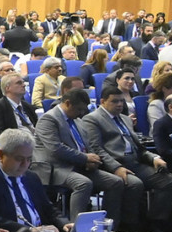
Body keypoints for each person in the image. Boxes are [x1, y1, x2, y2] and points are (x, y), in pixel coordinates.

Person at [81, 83, 172, 232]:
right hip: (112, 164)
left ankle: (155, 223)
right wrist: (116, 168)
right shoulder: (92, 119)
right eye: (115, 101)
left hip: (135, 162)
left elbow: (139, 148)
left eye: (121, 101)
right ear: (102, 102)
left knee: (171, 182)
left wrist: (154, 157)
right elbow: (96, 149)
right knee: (135, 184)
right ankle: (129, 226)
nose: (119, 104)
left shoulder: (124, 119)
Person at [36, 86, 118, 220]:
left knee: (115, 182)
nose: (81, 113)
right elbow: (56, 148)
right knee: (83, 183)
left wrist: (92, 160)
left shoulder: (77, 121)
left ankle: (110, 225)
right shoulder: (48, 119)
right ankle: (77, 229)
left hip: (79, 165)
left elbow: (87, 144)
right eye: (79, 109)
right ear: (68, 103)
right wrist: (85, 158)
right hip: (55, 168)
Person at [0, 128, 68, 232]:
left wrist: (64, 223)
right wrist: (28, 231)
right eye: (19, 159)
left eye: (29, 159)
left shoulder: (31, 177)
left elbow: (48, 208)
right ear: (1, 155)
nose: (25, 165)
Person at [0, 72, 39, 140]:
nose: (24, 85)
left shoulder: (27, 106)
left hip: (35, 140)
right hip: (17, 143)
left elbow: (38, 126)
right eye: (19, 83)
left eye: (23, 82)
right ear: (7, 88)